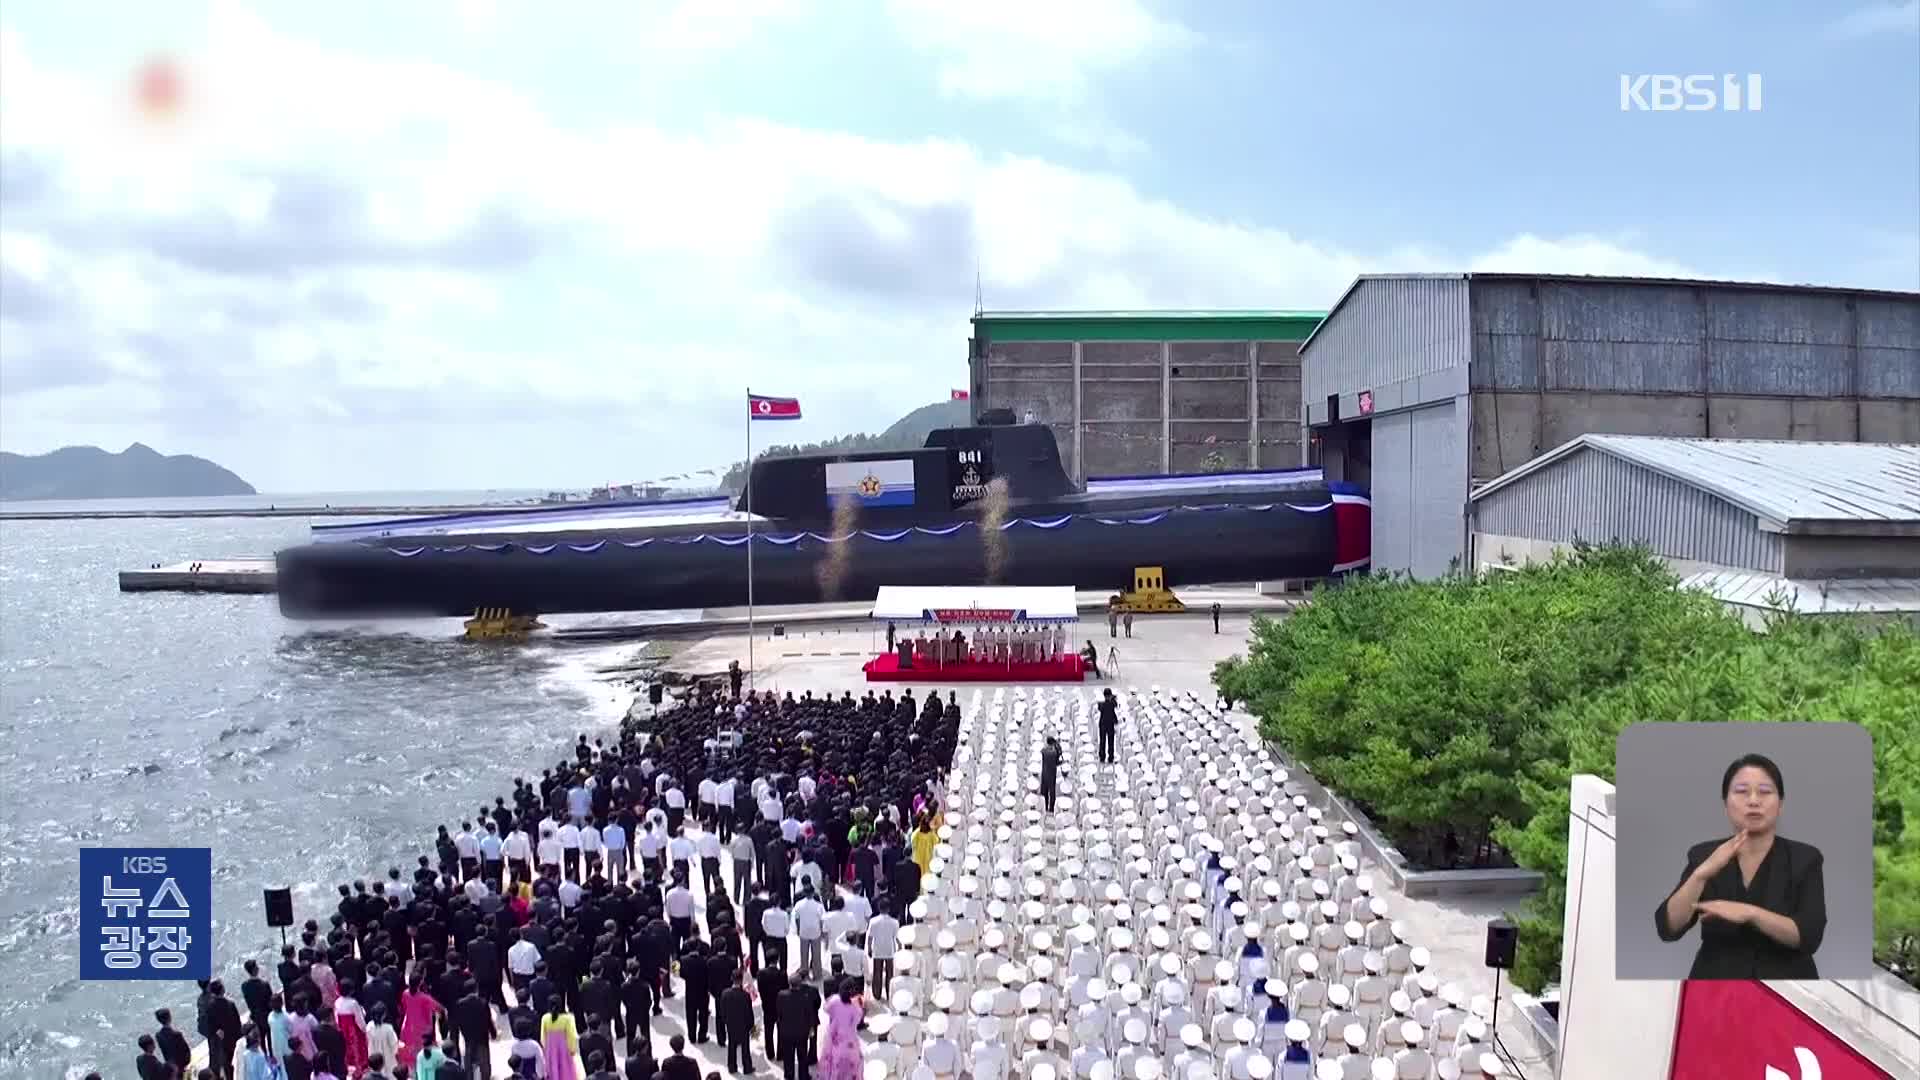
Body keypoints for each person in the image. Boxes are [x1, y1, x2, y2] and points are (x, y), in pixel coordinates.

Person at [1656, 753, 1826, 979]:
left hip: (1788, 987)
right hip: (1716, 983)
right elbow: (1669, 928)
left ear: (1780, 804)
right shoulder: (1704, 854)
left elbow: (1809, 935)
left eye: (1765, 792)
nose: (1754, 801)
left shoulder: (1805, 858)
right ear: (1725, 803)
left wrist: (1750, 913)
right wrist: (1700, 874)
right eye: (1741, 791)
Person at [814, 984, 863, 1080]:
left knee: (833, 1060)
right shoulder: (855, 1006)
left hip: (835, 1036)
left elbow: (825, 1008)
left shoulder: (835, 1000)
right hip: (850, 1038)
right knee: (852, 1063)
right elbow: (857, 1021)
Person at [719, 973, 757, 1075]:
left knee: (732, 1046)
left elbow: (722, 1011)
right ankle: (747, 1067)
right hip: (743, 1025)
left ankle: (732, 1067)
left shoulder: (725, 993)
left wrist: (725, 1021)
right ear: (741, 981)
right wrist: (751, 1026)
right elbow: (749, 1012)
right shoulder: (745, 995)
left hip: (731, 1024)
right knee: (745, 1048)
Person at [542, 1002, 580, 1080]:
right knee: (565, 1069)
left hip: (550, 1048)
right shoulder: (567, 1019)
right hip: (563, 1048)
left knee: (553, 1068)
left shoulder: (545, 1018)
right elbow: (571, 1035)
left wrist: (545, 1047)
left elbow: (543, 1035)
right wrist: (572, 1049)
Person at [1039, 736, 1062, 813]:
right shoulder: (1054, 752)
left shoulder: (1044, 750)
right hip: (1052, 774)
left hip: (1044, 773)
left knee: (1044, 791)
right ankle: (1051, 807)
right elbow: (1058, 759)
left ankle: (1044, 806)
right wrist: (1057, 744)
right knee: (1052, 792)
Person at [1097, 691, 1119, 764]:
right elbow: (1116, 704)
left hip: (1103, 724)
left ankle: (1102, 757)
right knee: (1111, 742)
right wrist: (1113, 699)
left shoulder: (1101, 704)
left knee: (1102, 741)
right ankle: (1111, 757)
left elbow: (1099, 707)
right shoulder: (1112, 704)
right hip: (1110, 725)